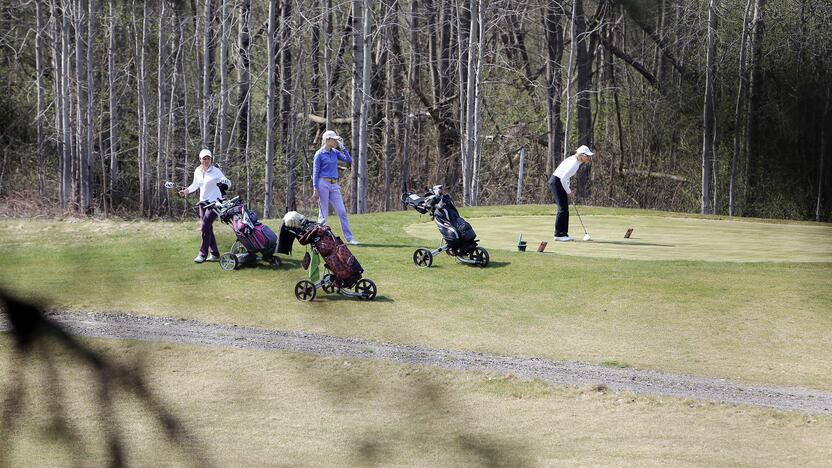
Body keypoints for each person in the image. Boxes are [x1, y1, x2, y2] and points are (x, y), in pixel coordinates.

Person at [179, 149, 231, 262]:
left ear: (211, 159)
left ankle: (202, 254)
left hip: (215, 203)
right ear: (200, 159)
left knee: (204, 226)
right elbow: (195, 185)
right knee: (208, 228)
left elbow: (227, 182)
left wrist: (224, 186)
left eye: (208, 158)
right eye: (204, 158)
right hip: (203, 203)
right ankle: (215, 254)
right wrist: (186, 191)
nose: (206, 160)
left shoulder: (216, 171)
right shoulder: (198, 171)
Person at [311, 130, 359, 245]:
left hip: (334, 185)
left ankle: (349, 238)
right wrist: (315, 189)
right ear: (327, 140)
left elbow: (349, 160)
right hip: (323, 184)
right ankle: (319, 239)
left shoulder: (335, 152)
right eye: (334, 139)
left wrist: (343, 148)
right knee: (323, 214)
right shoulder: (319, 154)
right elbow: (316, 172)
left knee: (342, 211)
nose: (336, 141)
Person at [548, 145, 594, 242]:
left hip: (558, 182)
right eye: (587, 156)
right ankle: (559, 234)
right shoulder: (574, 163)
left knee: (565, 209)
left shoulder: (575, 161)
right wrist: (569, 192)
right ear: (581, 155)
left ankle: (563, 233)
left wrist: (568, 190)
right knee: (562, 209)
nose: (589, 158)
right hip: (556, 182)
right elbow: (563, 178)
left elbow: (566, 178)